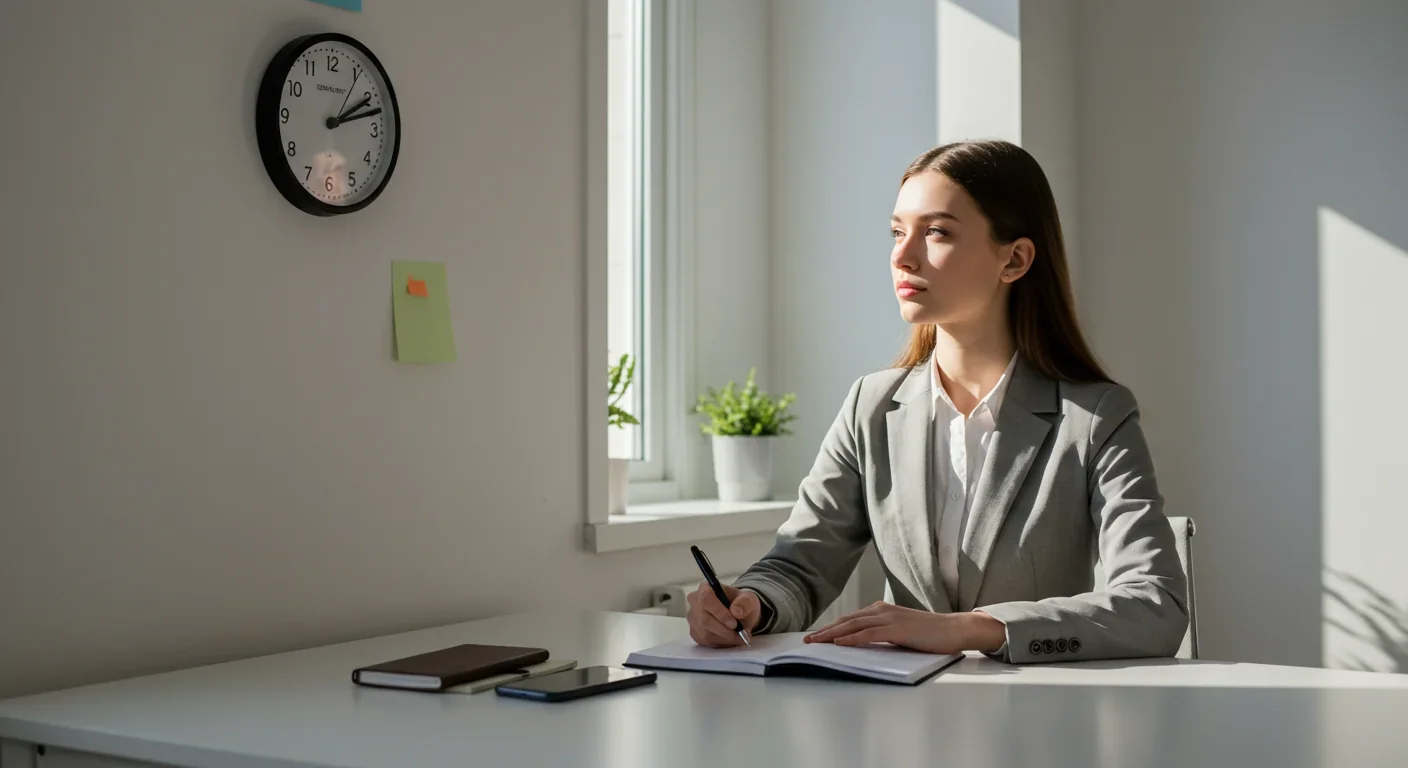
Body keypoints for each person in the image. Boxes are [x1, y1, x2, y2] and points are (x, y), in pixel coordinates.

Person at [686, 140, 1188, 663]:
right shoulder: (871, 406)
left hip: (1037, 704)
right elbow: (800, 564)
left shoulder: (1095, 417)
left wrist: (974, 629)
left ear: (1014, 259)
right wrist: (751, 603)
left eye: (937, 232)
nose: (902, 257)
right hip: (901, 705)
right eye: (897, 232)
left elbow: (1155, 605)